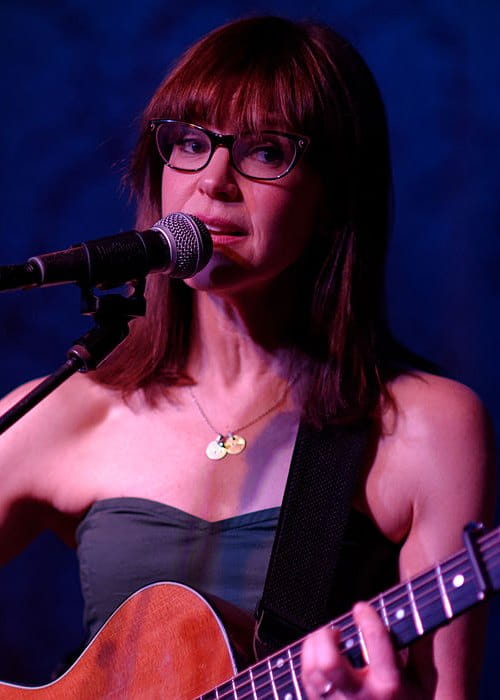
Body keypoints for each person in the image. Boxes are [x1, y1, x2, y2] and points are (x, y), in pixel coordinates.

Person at [0, 15, 494, 699]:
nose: (215, 181)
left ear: (334, 192)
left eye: (266, 152)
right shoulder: (61, 411)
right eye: (192, 143)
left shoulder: (426, 426)